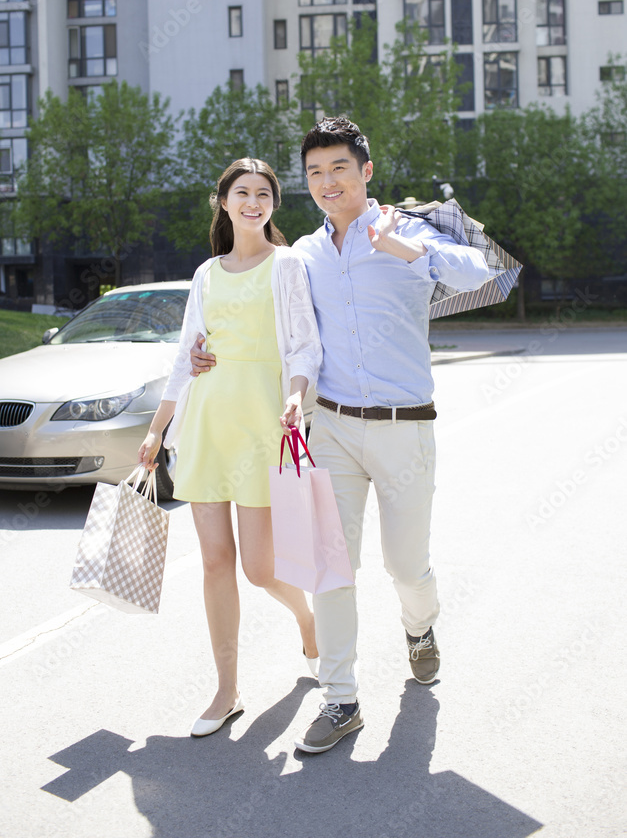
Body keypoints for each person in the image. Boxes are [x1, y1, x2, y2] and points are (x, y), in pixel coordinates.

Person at [191, 117, 491, 754]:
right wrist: (203, 353)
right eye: (315, 173)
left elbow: (480, 271)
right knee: (331, 566)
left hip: (405, 429)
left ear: (366, 173)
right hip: (329, 429)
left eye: (339, 169)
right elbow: (273, 321)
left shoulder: (409, 230)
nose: (328, 182)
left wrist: (410, 251)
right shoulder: (304, 254)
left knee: (405, 563)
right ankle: (340, 699)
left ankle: (421, 627)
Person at [137, 157, 322, 738]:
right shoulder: (205, 273)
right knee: (216, 562)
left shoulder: (286, 264)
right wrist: (156, 427)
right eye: (241, 192)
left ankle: (306, 619)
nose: (252, 201)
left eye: (263, 193)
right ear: (223, 202)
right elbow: (185, 356)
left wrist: (296, 398)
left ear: (273, 204)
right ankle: (226, 689)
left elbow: (303, 346)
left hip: (262, 424)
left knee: (261, 568)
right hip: (209, 424)